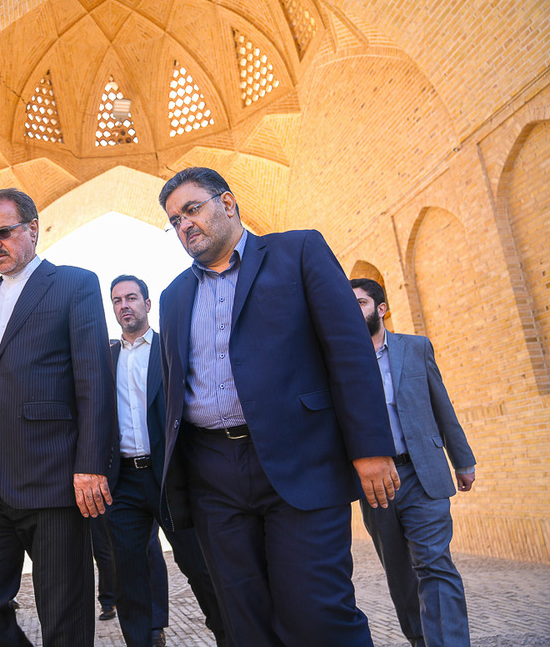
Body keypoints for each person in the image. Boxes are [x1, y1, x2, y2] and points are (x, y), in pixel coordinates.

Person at [156, 167, 399, 646]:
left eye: (191, 209)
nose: (184, 225)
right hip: (213, 475)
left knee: (317, 615)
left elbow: (349, 350)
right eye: (174, 220)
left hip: (300, 459)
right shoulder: (174, 295)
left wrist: (371, 447)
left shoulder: (298, 251)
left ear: (228, 204)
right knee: (245, 622)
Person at [0, 187, 116, 646]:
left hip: (55, 477)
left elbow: (93, 379)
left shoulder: (74, 284)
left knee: (64, 617)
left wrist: (91, 463)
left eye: (3, 232)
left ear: (33, 229)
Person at [352, 278, 476, 647]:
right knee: (400, 574)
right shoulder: (339, 359)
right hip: (376, 482)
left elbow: (441, 405)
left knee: (434, 564)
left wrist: (463, 460)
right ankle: (421, 640)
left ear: (381, 309)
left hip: (422, 472)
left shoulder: (416, 348)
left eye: (360, 303)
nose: (352, 310)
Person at [106, 274, 227, 647]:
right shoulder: (104, 358)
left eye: (131, 298)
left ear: (147, 304)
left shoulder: (170, 349)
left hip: (171, 478)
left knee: (199, 567)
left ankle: (229, 635)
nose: (124, 305)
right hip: (123, 483)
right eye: (117, 300)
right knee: (129, 577)